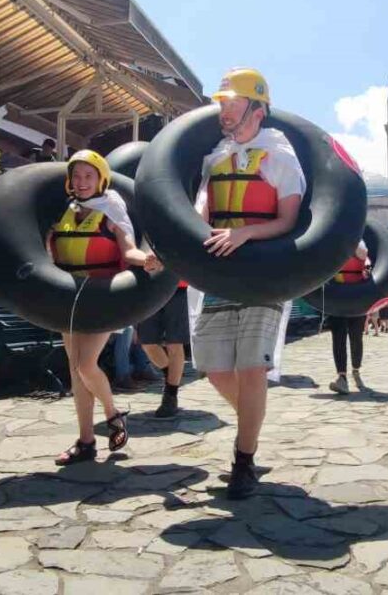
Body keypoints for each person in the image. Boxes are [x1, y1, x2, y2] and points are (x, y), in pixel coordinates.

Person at [146, 68, 304, 499]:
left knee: (251, 367)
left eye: (232, 104)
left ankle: (243, 459)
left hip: (263, 273)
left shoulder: (280, 157)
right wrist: (171, 251)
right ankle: (251, 426)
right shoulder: (215, 156)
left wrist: (246, 234)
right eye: (222, 104)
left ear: (257, 108)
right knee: (215, 371)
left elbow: (289, 220)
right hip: (219, 273)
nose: (224, 112)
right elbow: (200, 213)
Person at [48, 150, 149, 465]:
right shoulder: (65, 212)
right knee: (76, 372)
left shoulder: (112, 208)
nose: (81, 182)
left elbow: (129, 250)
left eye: (88, 176)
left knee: (84, 365)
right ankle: (86, 442)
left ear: (101, 178)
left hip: (103, 297)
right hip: (69, 298)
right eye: (76, 176)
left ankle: (112, 413)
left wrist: (147, 259)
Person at [137, 278, 190, 418]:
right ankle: (170, 375)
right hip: (148, 287)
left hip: (178, 286)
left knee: (175, 342)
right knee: (147, 342)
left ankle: (171, 395)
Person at [327, 241, 369, 395]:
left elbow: (363, 254)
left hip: (356, 298)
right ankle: (342, 377)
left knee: (356, 337)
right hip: (337, 297)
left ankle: (356, 369)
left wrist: (351, 236)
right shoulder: (331, 245)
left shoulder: (359, 242)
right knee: (338, 338)